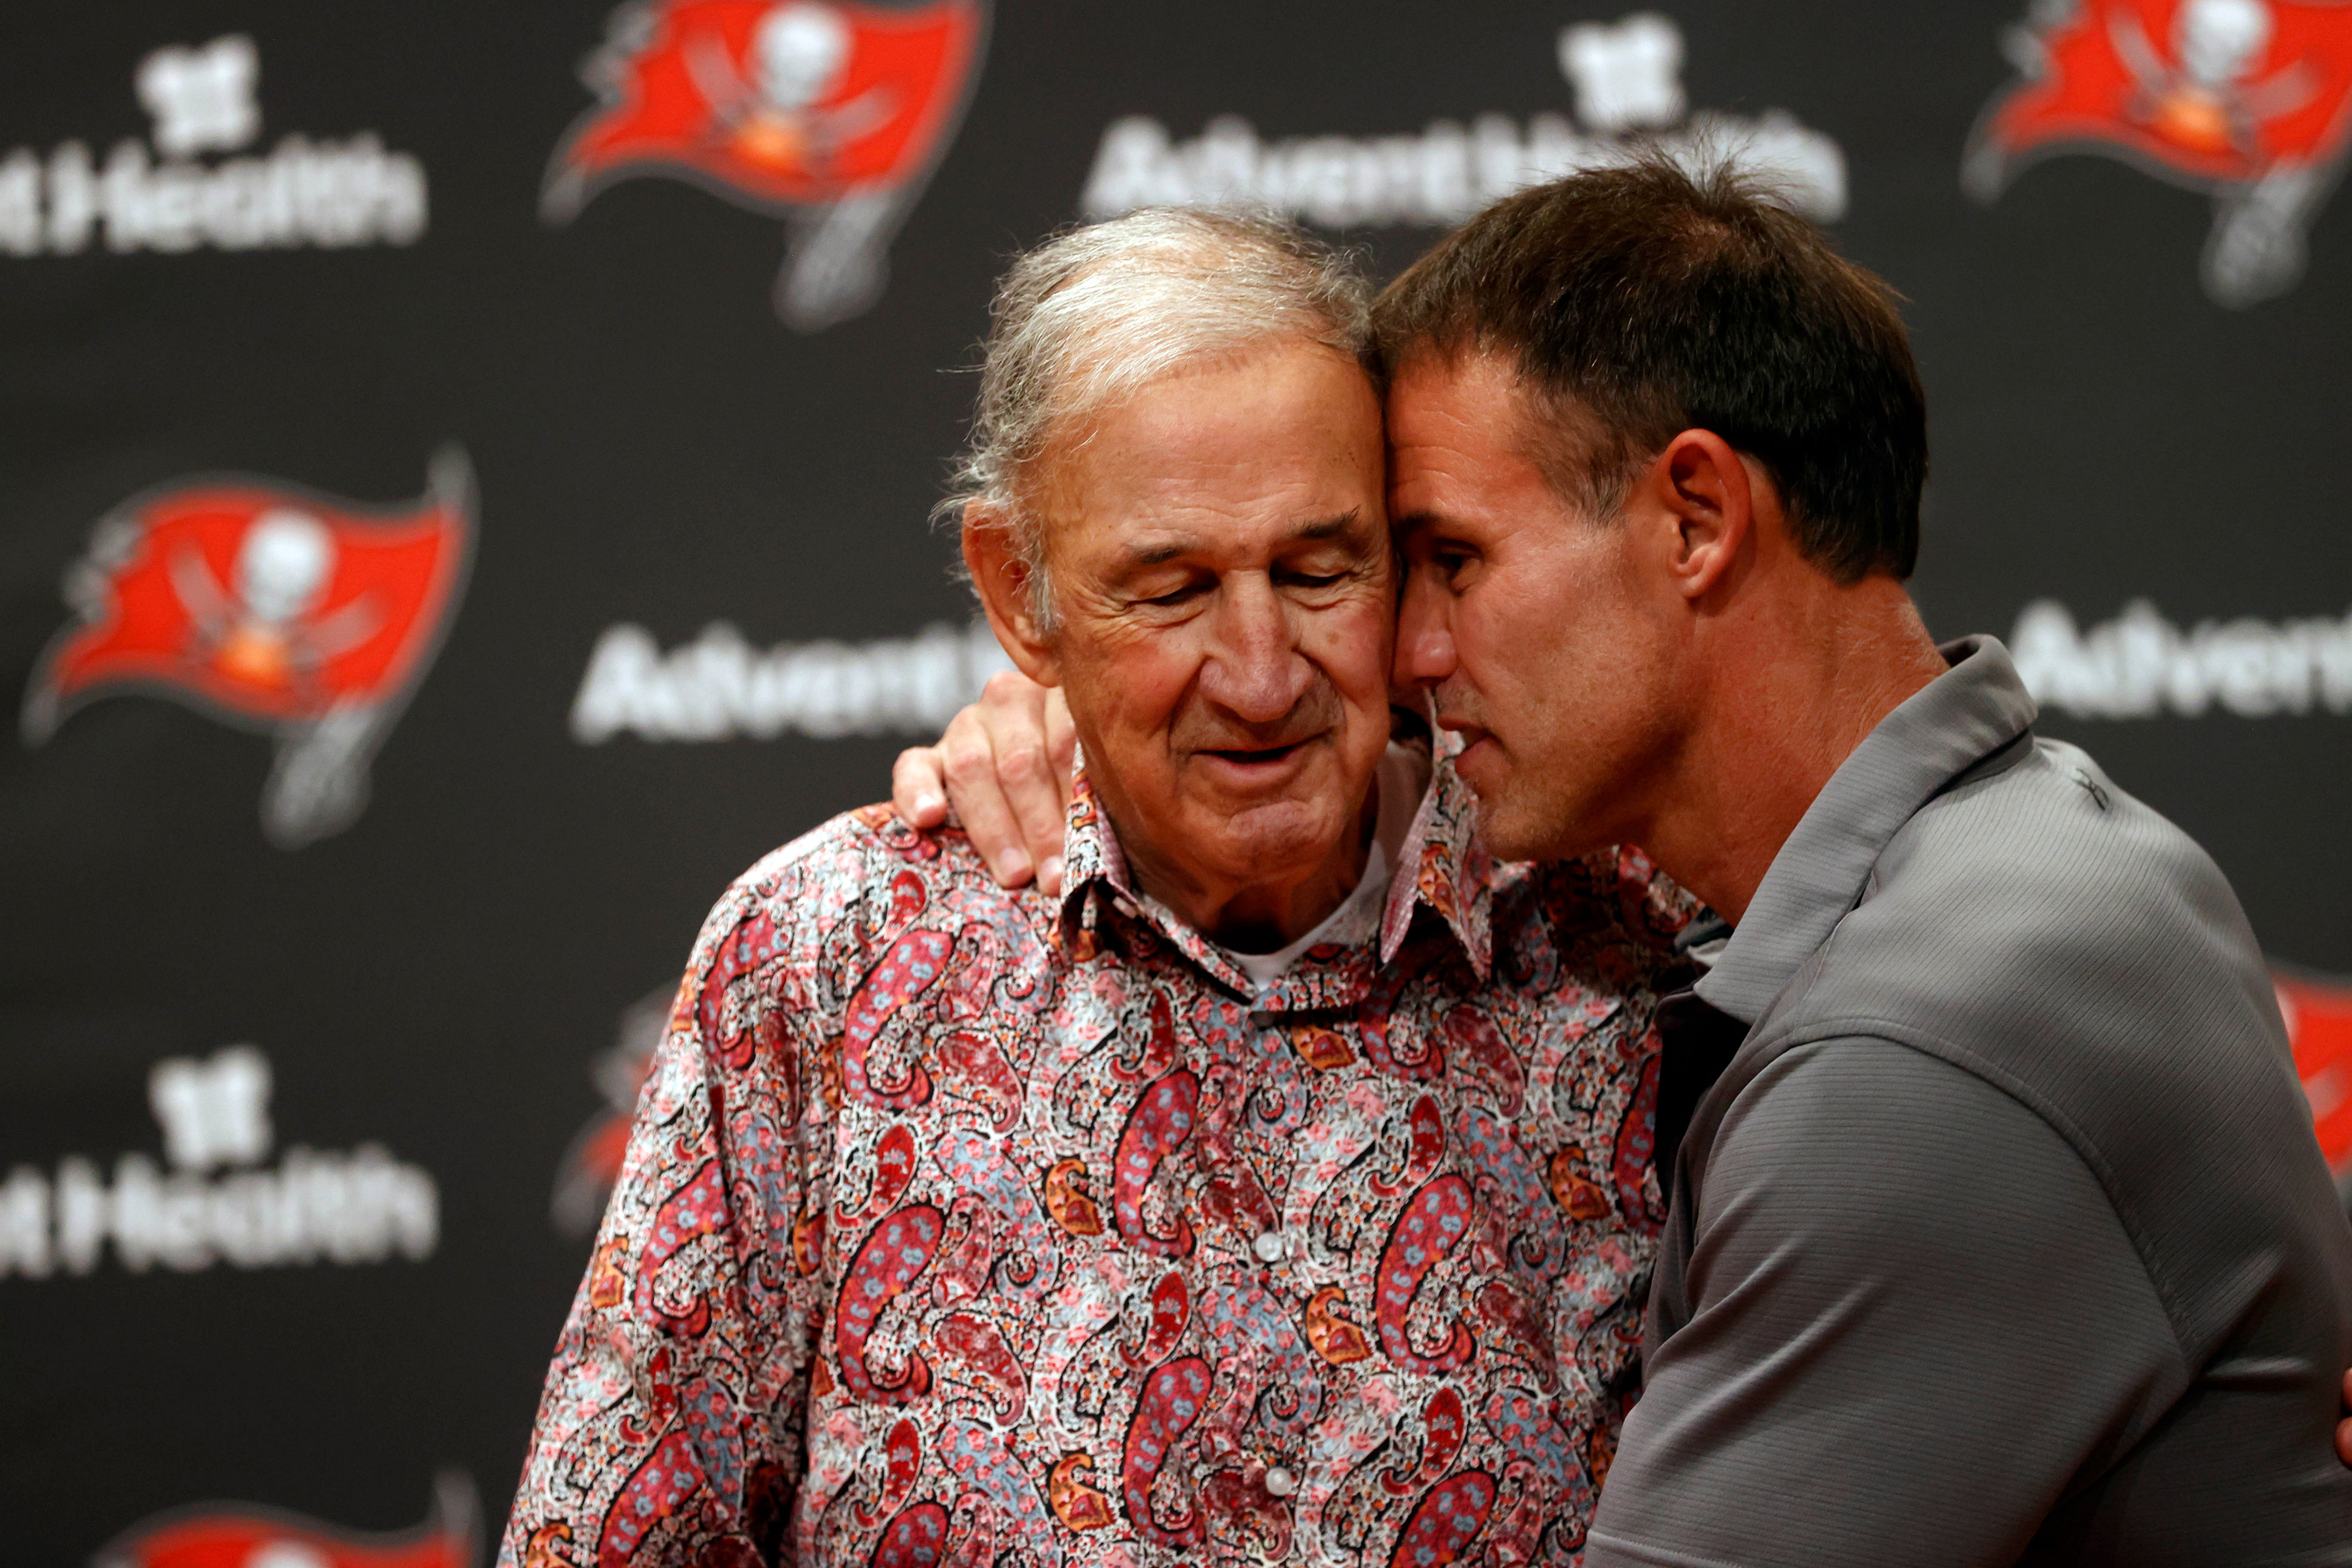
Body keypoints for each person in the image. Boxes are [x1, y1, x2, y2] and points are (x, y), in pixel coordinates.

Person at [896, 161, 2352, 1562]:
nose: (1404, 654)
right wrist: (1085, 696)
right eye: (1173, 587)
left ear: (1698, 521)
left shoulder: (1925, 1038)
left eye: (1445, 560)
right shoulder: (2026, 865)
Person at [502, 208, 1700, 1566]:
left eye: (1319, 570)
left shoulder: (1631, 934)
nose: (1260, 675)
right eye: (1172, 590)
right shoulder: (826, 959)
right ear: (1023, 594)